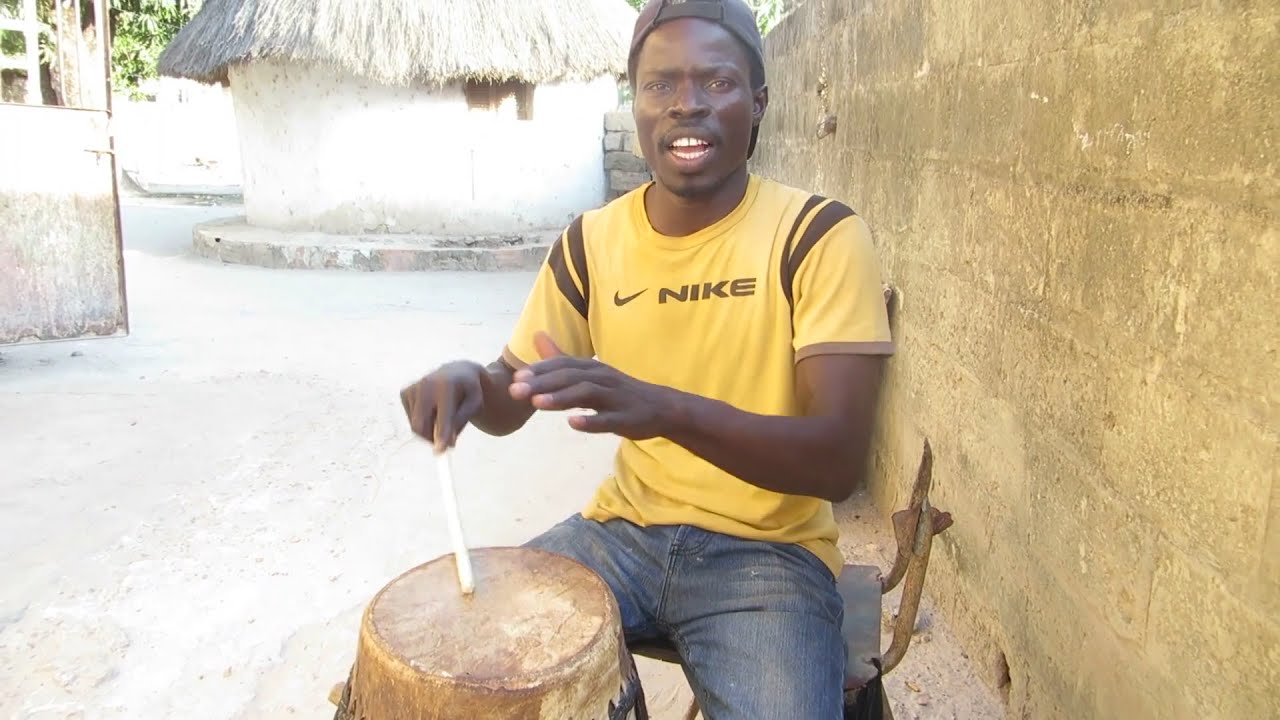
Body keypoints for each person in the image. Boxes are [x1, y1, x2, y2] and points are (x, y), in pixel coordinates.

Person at [399, 0, 893, 716]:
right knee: (463, 666)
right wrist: (469, 384)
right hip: (619, 539)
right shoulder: (592, 243)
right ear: (636, 104)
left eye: (716, 83)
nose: (685, 105)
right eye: (660, 85)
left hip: (770, 557)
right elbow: (513, 397)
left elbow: (837, 463)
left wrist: (661, 408)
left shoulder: (817, 235)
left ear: (758, 102)